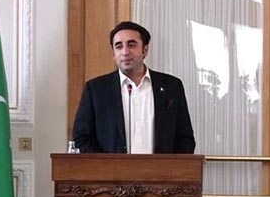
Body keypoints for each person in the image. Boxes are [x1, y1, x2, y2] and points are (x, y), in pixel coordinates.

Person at [72, 21, 196, 154]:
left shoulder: (172, 86)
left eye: (131, 45)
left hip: (160, 173)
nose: (125, 52)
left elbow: (185, 139)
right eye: (118, 46)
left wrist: (170, 170)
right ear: (113, 53)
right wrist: (107, 166)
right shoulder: (96, 89)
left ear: (145, 49)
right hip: (111, 173)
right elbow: (82, 137)